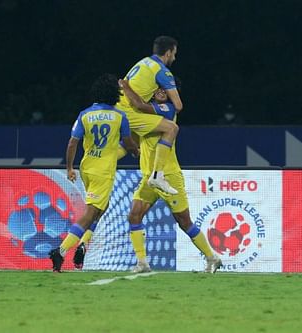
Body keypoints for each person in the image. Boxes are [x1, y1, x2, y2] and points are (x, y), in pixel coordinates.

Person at [120, 79, 222, 274]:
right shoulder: (145, 117)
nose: (159, 91)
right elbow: (132, 139)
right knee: (134, 215)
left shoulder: (167, 110)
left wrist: (125, 87)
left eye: (164, 89)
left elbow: (138, 104)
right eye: (157, 87)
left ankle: (212, 257)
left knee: (184, 222)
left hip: (169, 176)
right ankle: (142, 263)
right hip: (150, 178)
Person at [48, 73, 139, 273]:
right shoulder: (119, 116)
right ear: (114, 94)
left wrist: (70, 167)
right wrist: (136, 152)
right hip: (103, 171)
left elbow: (73, 143)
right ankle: (61, 251)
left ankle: (83, 244)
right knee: (91, 213)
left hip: (86, 167)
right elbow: (129, 142)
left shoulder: (85, 114)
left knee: (101, 209)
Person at [115, 36, 183, 195]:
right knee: (172, 128)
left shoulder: (144, 62)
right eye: (174, 53)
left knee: (131, 142)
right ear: (168, 53)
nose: (174, 57)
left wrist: (125, 86)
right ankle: (158, 175)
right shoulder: (163, 72)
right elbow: (178, 106)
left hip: (120, 107)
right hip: (128, 111)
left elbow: (141, 104)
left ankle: (101, 163)